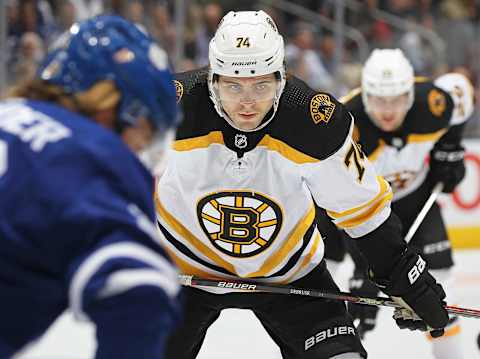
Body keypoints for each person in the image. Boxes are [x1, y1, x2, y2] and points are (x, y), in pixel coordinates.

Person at [155, 11, 450, 359]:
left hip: (289, 272)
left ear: (281, 77)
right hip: (182, 271)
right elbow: (106, 171)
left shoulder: (314, 120)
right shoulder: (166, 105)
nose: (247, 102)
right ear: (212, 79)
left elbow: (361, 208)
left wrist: (403, 273)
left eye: (261, 84)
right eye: (233, 85)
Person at [0, 15, 181, 359]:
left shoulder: (7, 113)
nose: (140, 148)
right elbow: (141, 285)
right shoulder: (86, 153)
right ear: (114, 107)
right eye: (143, 132)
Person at [331, 48, 473, 359]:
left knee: (440, 298)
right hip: (366, 213)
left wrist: (450, 147)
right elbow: (340, 201)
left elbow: (459, 88)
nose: (388, 110)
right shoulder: (346, 125)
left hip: (418, 199)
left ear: (409, 94)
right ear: (366, 96)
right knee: (357, 309)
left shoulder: (432, 105)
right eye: (380, 100)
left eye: (396, 99)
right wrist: (362, 264)